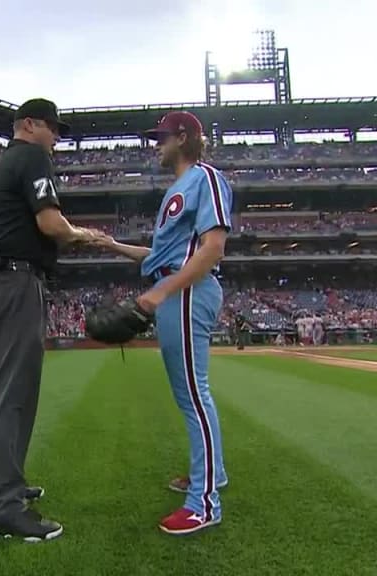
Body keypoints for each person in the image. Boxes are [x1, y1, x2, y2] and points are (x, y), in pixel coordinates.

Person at [0, 97, 104, 543]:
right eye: (53, 128)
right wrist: (83, 235)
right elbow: (50, 223)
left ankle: (0, 487)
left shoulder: (12, 158)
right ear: (29, 124)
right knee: (14, 392)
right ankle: (7, 506)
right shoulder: (31, 155)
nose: (57, 138)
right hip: (13, 280)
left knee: (1, 391)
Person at [92, 111, 231, 535]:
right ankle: (213, 473)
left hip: (187, 290)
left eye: (162, 137)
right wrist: (113, 245)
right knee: (190, 392)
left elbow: (213, 249)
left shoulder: (205, 177)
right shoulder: (178, 187)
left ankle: (204, 503)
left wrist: (162, 291)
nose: (156, 144)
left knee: (193, 394)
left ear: (184, 137)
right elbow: (159, 256)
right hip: (176, 288)